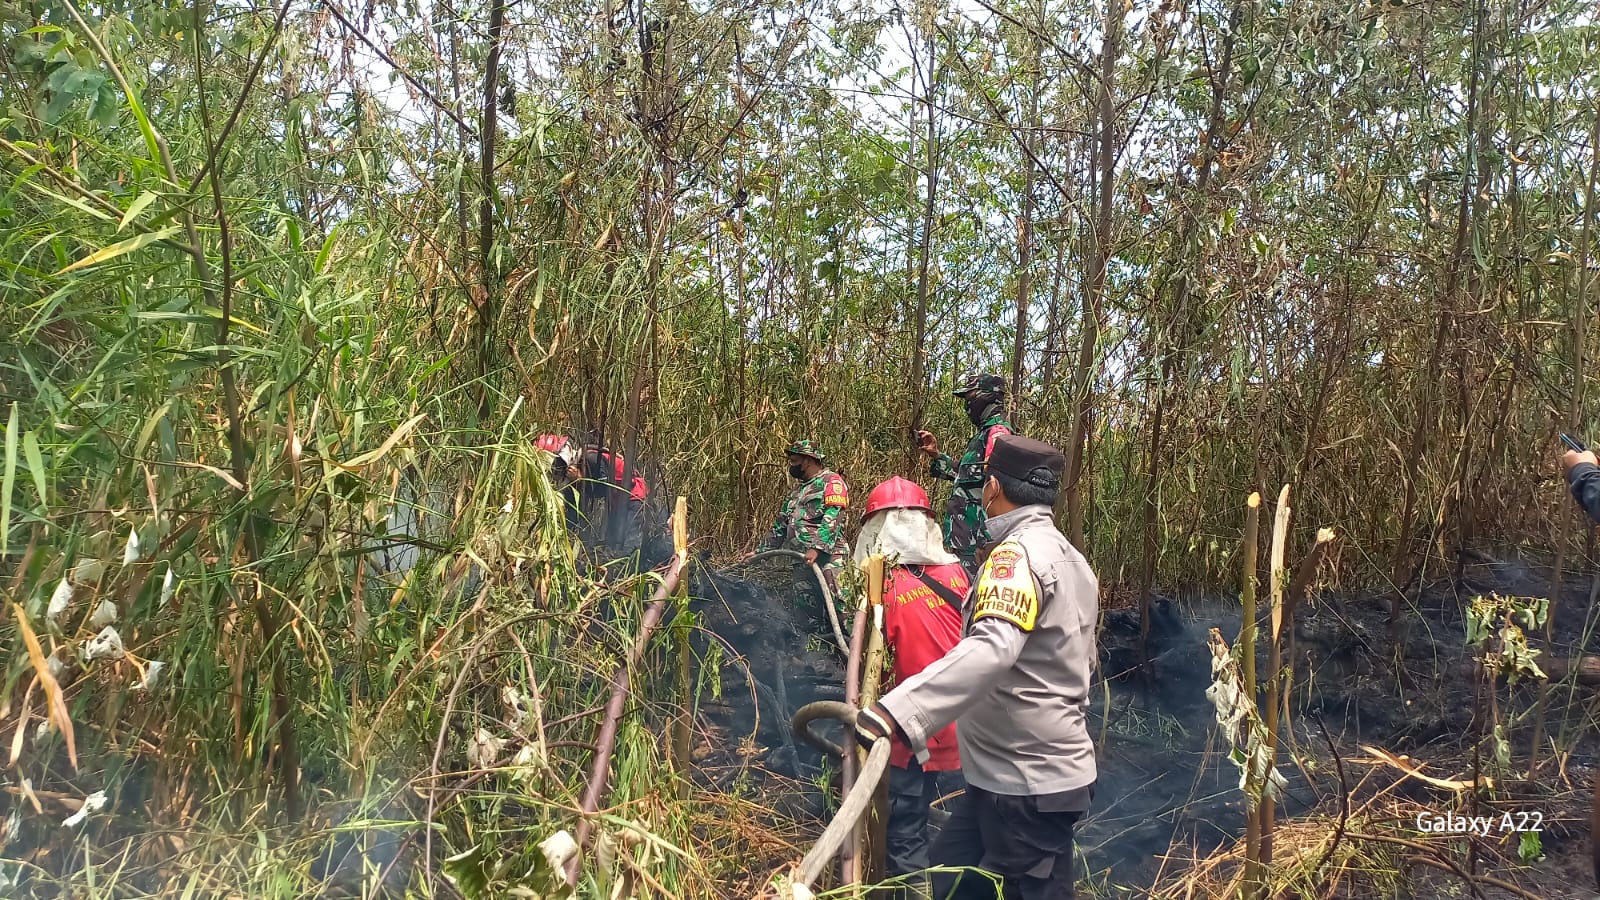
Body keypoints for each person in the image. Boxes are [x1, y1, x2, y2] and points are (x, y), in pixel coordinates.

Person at [855, 435, 1098, 900]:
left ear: (991, 488)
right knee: (951, 875)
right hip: (1004, 778)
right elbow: (1082, 656)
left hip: (1028, 786)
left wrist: (895, 713)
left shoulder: (1015, 558)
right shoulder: (1072, 558)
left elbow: (991, 649)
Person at [853, 476, 972, 885]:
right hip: (974, 720)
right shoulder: (960, 574)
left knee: (905, 834)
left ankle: (909, 889)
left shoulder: (880, 584)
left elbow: (875, 659)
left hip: (915, 727)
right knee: (978, 827)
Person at [915, 372, 1015, 576]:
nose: (968, 405)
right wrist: (936, 455)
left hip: (976, 541)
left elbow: (996, 486)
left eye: (970, 398)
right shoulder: (983, 434)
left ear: (987, 396)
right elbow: (967, 476)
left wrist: (986, 542)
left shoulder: (997, 432)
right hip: (965, 538)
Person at [756, 440, 850, 635]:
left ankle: (856, 654)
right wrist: (759, 552)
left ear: (808, 460)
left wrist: (817, 547)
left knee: (841, 608)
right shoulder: (796, 493)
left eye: (794, 460)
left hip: (830, 559)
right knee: (806, 616)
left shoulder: (831, 481)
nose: (790, 465)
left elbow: (835, 515)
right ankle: (816, 657)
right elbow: (780, 526)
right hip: (801, 562)